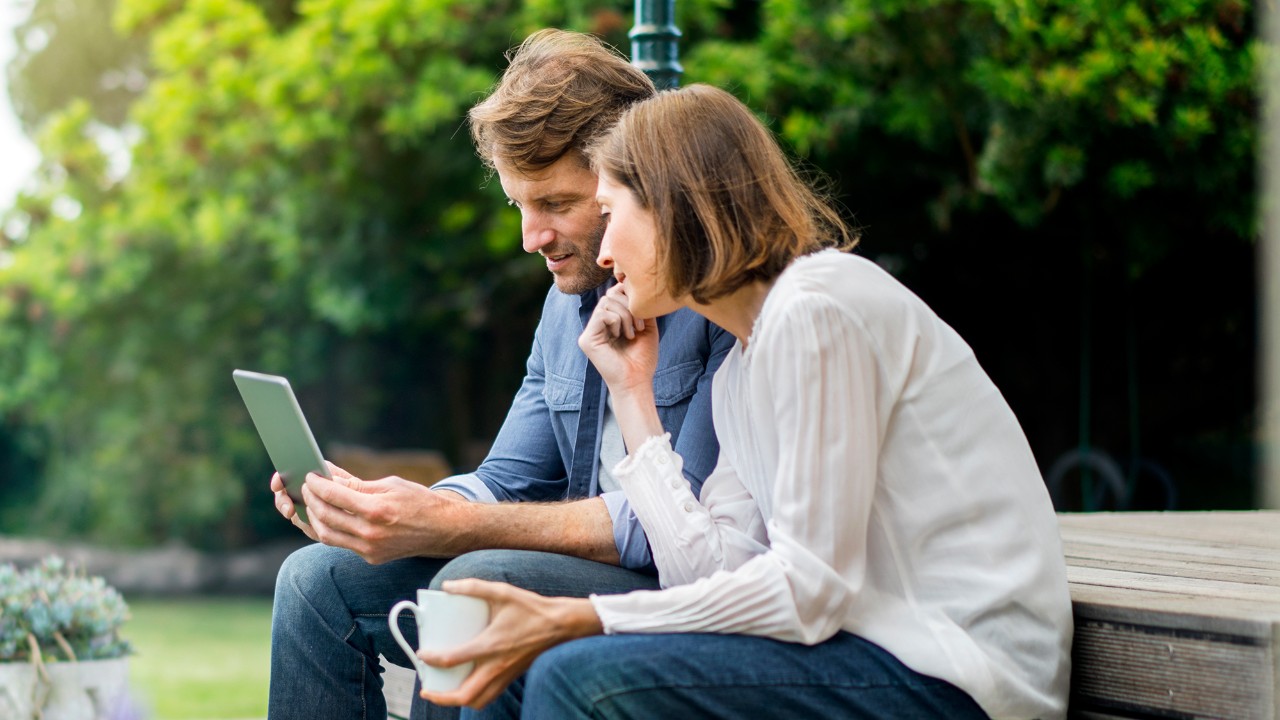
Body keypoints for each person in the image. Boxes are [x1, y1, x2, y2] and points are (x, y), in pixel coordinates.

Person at [414, 83, 1075, 719]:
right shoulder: (743, 365)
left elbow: (811, 590)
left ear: (677, 207)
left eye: (613, 215)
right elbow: (706, 566)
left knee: (574, 672)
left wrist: (586, 616)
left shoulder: (819, 310)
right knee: (523, 664)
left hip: (954, 672)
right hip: (861, 651)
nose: (606, 251)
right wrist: (633, 394)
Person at [264, 32, 733, 720]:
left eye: (555, 204)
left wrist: (452, 528)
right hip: (575, 567)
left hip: (679, 576)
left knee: (476, 581)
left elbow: (674, 528)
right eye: (519, 205)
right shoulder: (563, 305)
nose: (530, 237)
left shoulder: (722, 305)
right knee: (314, 581)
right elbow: (505, 481)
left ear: (631, 178)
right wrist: (386, 511)